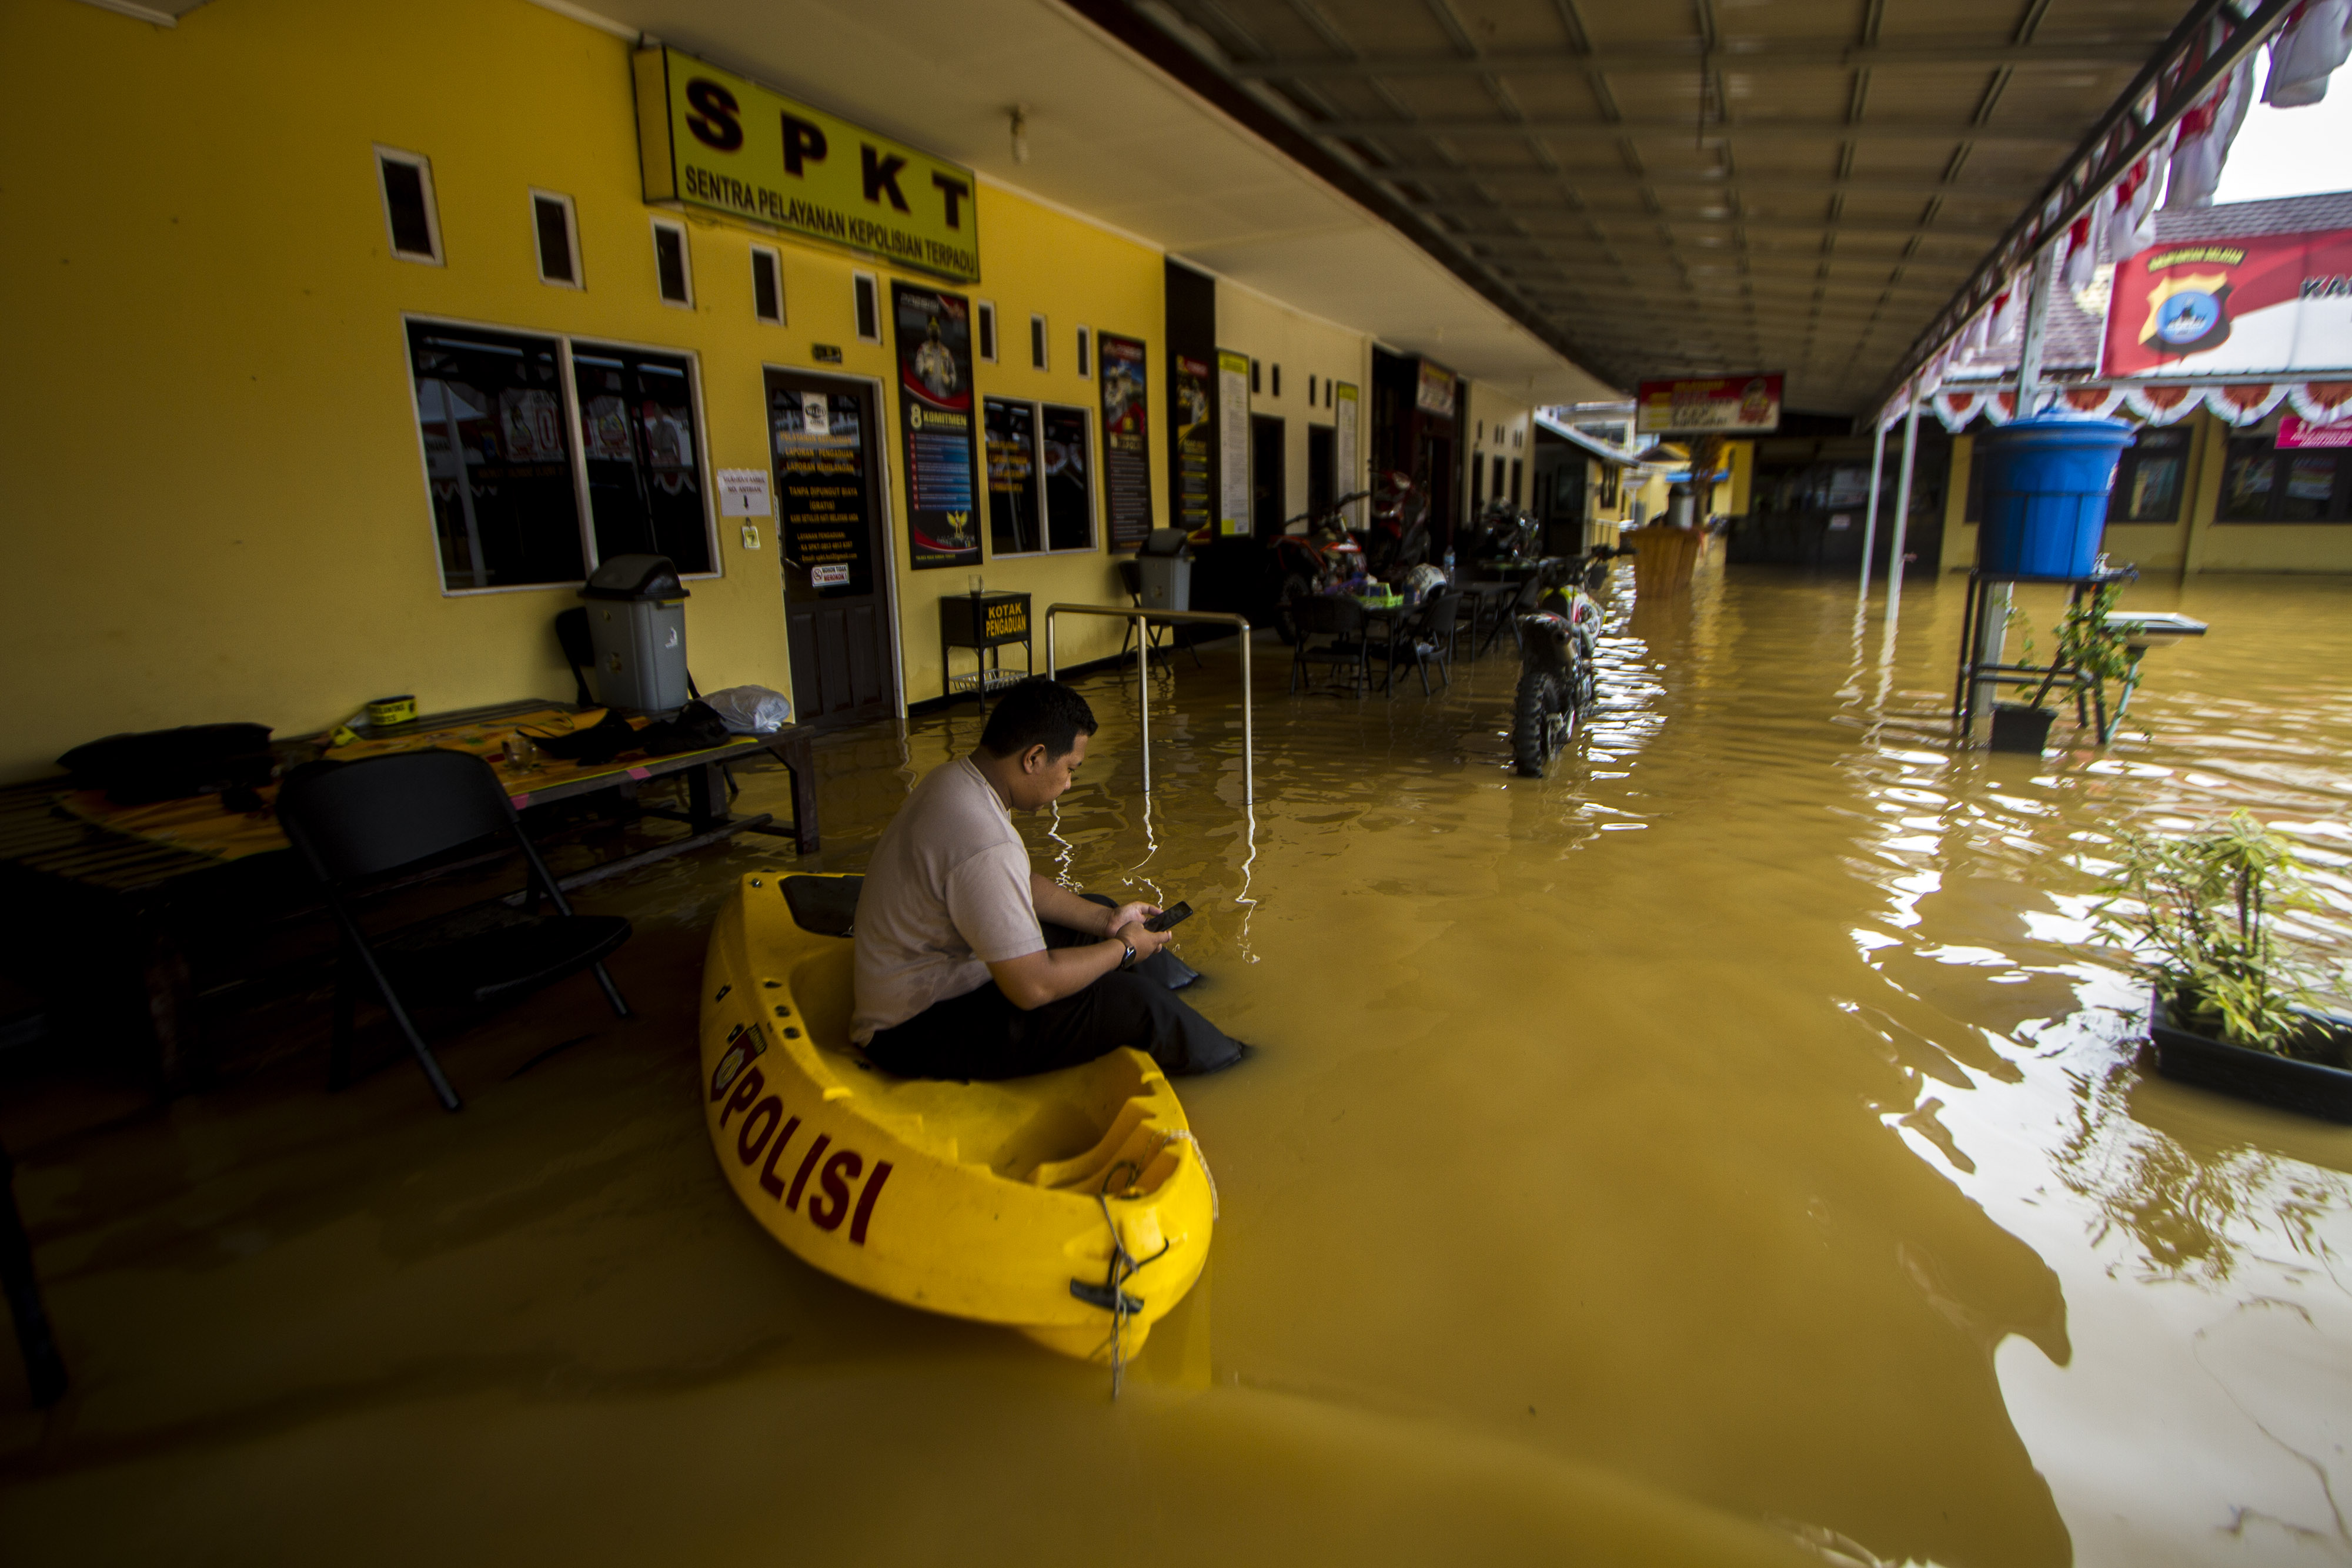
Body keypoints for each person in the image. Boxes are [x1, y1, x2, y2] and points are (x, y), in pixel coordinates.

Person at [851, 678, 1248, 1081]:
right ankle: (1242, 1069)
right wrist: (1124, 948)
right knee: (1139, 1005)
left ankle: (1201, 991)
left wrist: (1109, 923)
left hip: (936, 984)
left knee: (1099, 910)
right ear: (1035, 757)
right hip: (914, 1030)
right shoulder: (985, 840)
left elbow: (1019, 881)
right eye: (1070, 769)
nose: (1069, 783)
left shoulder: (957, 781)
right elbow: (1033, 987)